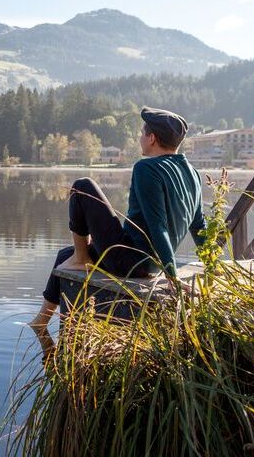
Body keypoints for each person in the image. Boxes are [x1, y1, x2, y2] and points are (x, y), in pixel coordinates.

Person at [30, 106, 206, 335]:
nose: (139, 138)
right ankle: (41, 322)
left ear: (151, 138)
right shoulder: (193, 173)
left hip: (130, 262)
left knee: (83, 186)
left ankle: (81, 257)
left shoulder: (146, 168)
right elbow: (199, 225)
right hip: (149, 263)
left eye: (142, 133)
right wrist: (212, 265)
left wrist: (171, 275)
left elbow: (158, 225)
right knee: (64, 255)